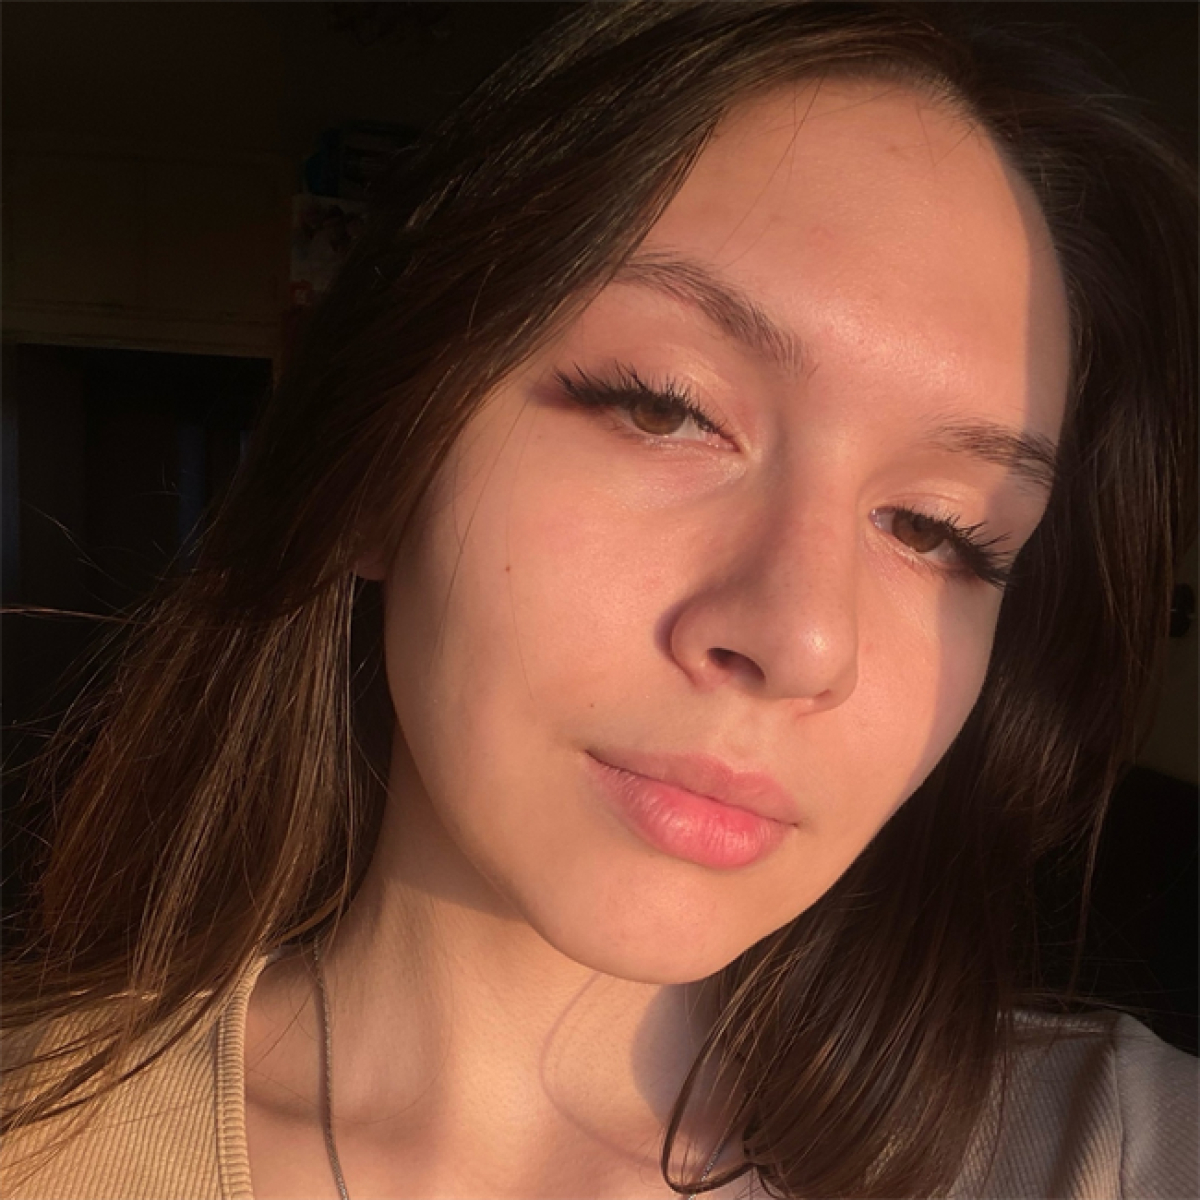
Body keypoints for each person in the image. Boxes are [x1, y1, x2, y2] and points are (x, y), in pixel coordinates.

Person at [2, 3, 1196, 1198]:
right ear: (378, 464)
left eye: (938, 530)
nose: (802, 636)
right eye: (665, 407)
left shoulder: (1119, 1151)